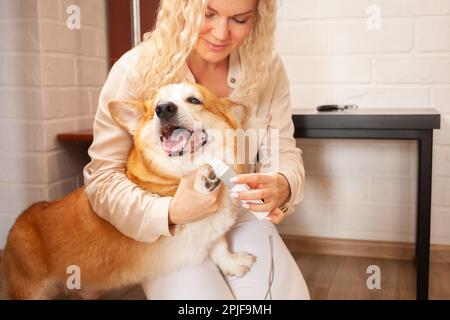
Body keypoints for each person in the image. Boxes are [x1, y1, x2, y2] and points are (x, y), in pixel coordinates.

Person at [83, 0, 310, 300]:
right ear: (183, 7)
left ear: (259, 18)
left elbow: (284, 153)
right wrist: (169, 212)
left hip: (236, 211)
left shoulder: (267, 68)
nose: (220, 33)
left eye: (239, 20)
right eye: (208, 14)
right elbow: (102, 182)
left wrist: (283, 183)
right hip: (166, 228)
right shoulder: (132, 69)